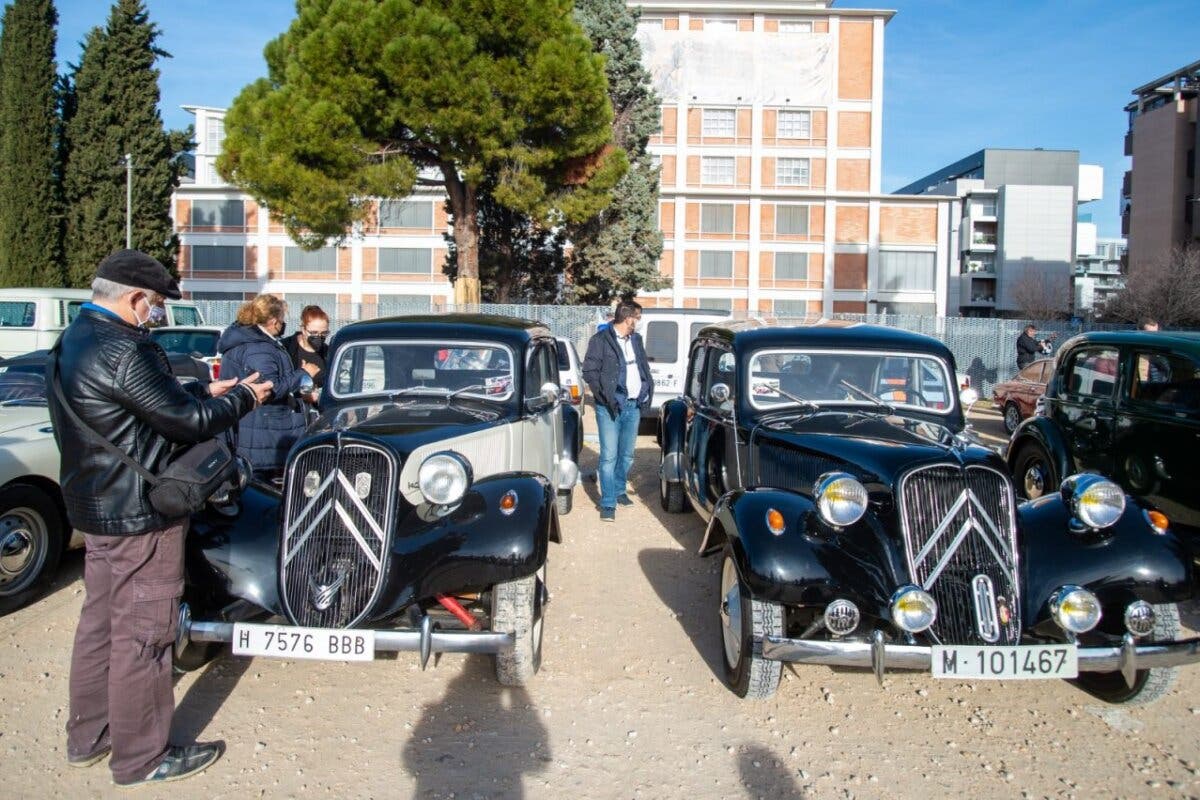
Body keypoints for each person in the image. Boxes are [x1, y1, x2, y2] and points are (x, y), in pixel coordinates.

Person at [47, 250, 272, 787]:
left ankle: (90, 737)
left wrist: (203, 388)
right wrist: (244, 397)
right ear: (134, 299)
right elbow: (189, 422)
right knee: (145, 633)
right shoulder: (125, 349)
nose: (157, 316)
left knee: (100, 625)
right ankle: (142, 757)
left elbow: (134, 405)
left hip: (98, 507)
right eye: (154, 306)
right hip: (142, 513)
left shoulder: (74, 339)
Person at [218, 295, 314, 479]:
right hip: (264, 433)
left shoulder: (249, 340)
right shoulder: (259, 348)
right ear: (273, 321)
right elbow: (270, 388)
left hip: (255, 429)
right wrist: (303, 373)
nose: (283, 324)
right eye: (282, 319)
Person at [581, 300, 652, 521]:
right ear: (628, 317)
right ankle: (608, 502)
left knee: (627, 455)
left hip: (633, 405)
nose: (639, 322)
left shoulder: (636, 340)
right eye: (638, 317)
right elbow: (589, 371)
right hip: (609, 408)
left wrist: (647, 387)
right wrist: (603, 396)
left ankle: (620, 490)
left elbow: (642, 367)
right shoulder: (600, 340)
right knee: (609, 456)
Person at [283, 304, 330, 389]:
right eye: (313, 333)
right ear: (303, 329)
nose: (319, 337)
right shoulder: (286, 348)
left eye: (324, 333)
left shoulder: (329, 352)